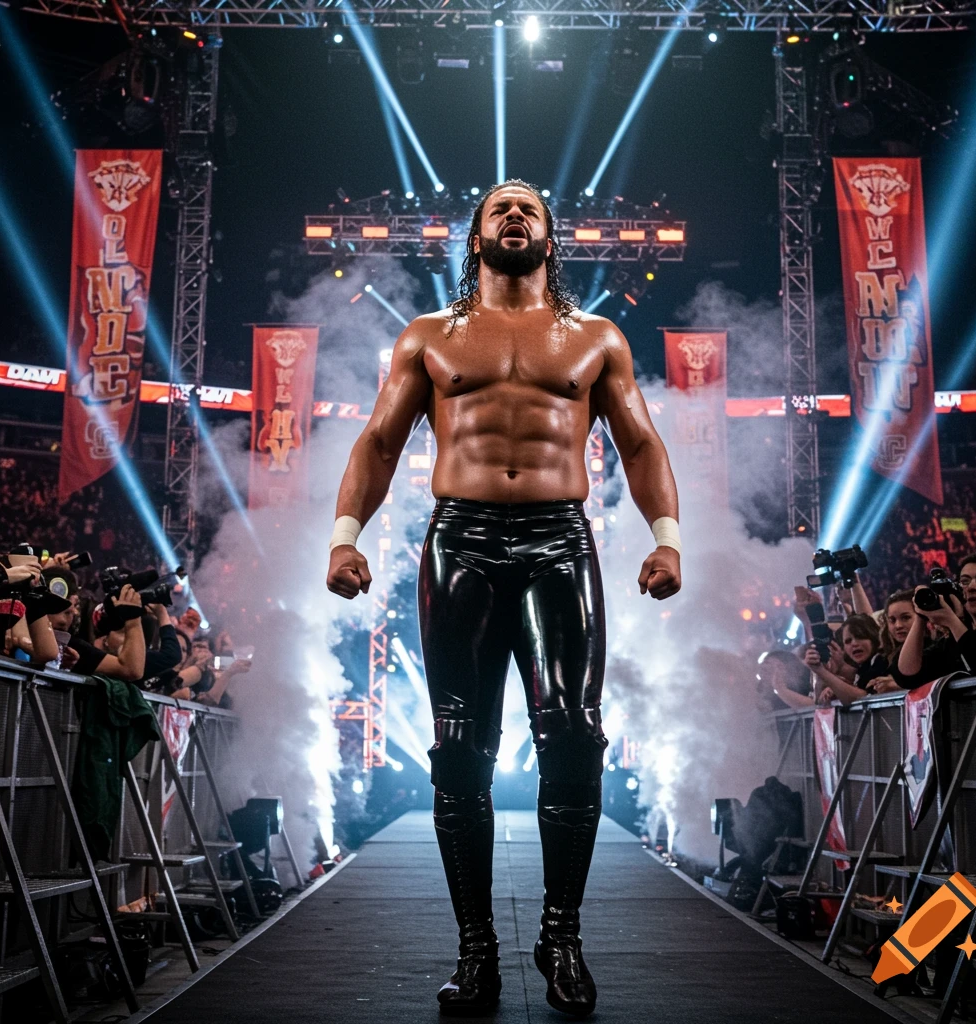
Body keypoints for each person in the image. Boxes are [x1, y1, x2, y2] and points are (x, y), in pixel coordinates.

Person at [326, 180, 682, 1018]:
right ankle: (476, 949)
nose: (515, 214)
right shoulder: (430, 338)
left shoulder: (595, 338)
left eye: (528, 208)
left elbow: (640, 442)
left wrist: (667, 539)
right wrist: (346, 534)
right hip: (462, 542)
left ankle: (561, 935)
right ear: (477, 237)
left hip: (562, 540)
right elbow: (378, 442)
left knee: (571, 738)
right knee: (459, 748)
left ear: (551, 239)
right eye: (500, 208)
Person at [894, 552, 976, 689]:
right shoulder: (953, 638)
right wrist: (921, 614)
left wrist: (952, 621)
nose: (972, 587)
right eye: (964, 581)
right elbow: (908, 676)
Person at [804, 614, 887, 707]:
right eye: (848, 641)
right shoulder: (861, 670)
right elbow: (817, 704)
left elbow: (863, 699)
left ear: (874, 637)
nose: (854, 644)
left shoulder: (881, 661)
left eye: (860, 637)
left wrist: (822, 671)